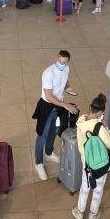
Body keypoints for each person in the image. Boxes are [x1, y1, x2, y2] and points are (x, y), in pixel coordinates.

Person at [32, 50, 79, 181]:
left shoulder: (66, 69)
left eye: (64, 62)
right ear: (56, 58)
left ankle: (48, 153)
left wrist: (68, 87)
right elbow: (48, 96)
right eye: (59, 61)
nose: (61, 64)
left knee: (54, 131)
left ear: (67, 62)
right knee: (42, 135)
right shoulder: (48, 73)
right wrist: (65, 105)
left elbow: (66, 78)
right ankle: (38, 163)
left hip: (57, 106)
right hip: (46, 106)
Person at [71, 93, 110, 219]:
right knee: (98, 188)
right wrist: (106, 127)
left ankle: (79, 212)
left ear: (90, 108)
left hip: (86, 161)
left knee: (85, 186)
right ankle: (93, 214)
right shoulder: (99, 127)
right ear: (101, 112)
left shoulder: (81, 120)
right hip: (100, 162)